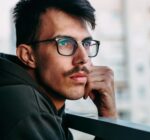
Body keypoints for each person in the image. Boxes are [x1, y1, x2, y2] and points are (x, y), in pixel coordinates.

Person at [0, 0, 117, 139]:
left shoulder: (37, 103)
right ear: (28, 56)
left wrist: (108, 116)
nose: (83, 58)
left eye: (86, 43)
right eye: (65, 43)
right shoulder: (27, 111)